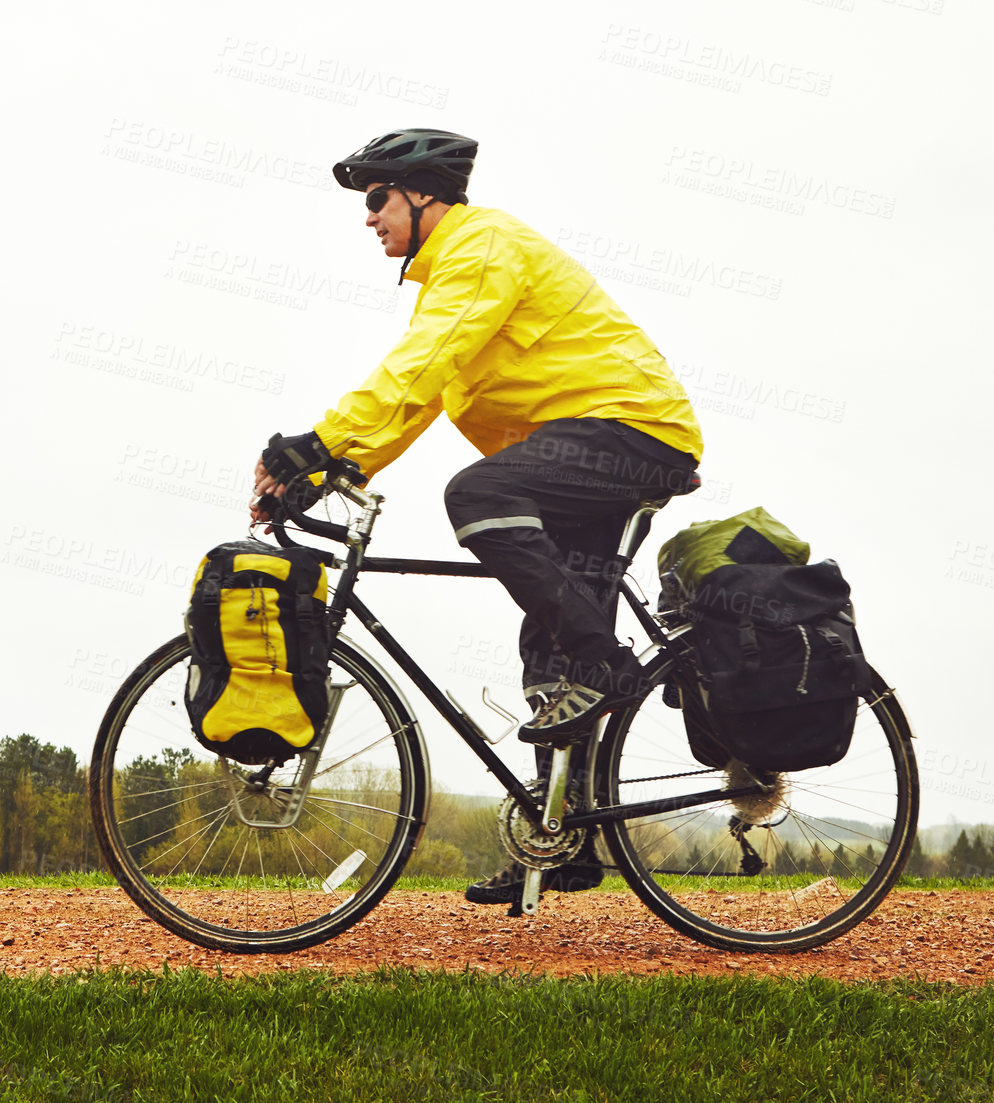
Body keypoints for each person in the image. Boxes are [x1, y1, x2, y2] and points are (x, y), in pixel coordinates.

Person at [250, 128, 703, 906]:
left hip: (629, 431)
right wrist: (334, 468)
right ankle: (567, 840)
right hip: (592, 451)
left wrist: (317, 441)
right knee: (548, 641)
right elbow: (419, 396)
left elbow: (421, 362)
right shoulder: (452, 274)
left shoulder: (481, 245)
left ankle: (609, 666)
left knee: (477, 495)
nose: (368, 218)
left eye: (376, 199)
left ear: (422, 194)